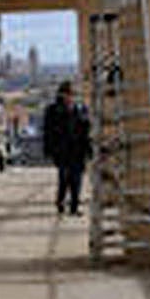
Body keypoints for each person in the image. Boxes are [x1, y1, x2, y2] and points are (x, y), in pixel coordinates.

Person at [43, 81, 92, 215]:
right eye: (68, 94)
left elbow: (86, 130)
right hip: (62, 150)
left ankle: (74, 206)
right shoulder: (53, 110)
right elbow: (48, 132)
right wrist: (49, 150)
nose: (70, 97)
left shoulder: (81, 108)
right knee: (64, 178)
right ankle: (61, 201)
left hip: (78, 150)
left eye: (73, 94)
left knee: (77, 179)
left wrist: (89, 149)